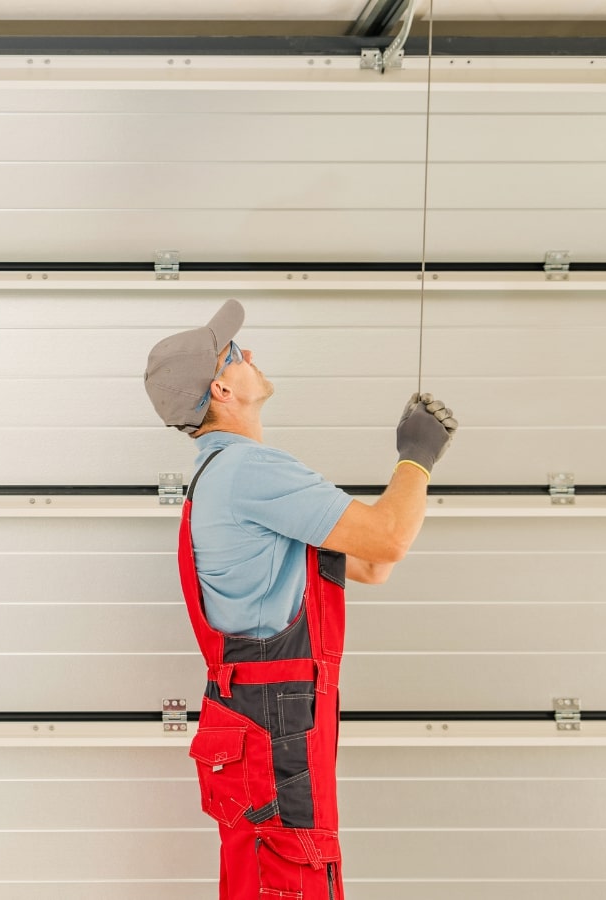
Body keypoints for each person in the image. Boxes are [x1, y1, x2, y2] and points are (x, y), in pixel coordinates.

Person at [143, 298, 457, 900]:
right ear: (221, 388)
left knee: (264, 877)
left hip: (256, 717)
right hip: (276, 722)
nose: (250, 355)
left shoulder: (218, 475)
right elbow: (388, 541)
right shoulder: (248, 470)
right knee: (293, 875)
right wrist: (417, 458)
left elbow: (367, 565)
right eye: (236, 353)